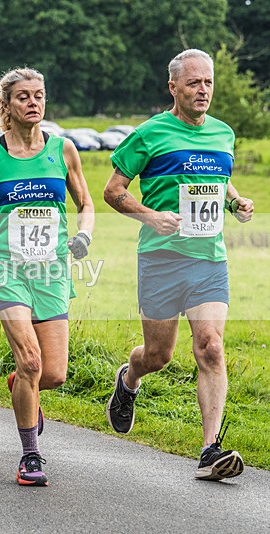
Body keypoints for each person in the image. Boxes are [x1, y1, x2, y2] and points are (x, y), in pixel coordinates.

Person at [103, 49, 253, 481]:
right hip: (161, 259)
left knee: (211, 346)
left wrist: (234, 201)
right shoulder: (149, 134)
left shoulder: (223, 133)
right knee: (157, 355)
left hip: (209, 260)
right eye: (194, 83)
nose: (203, 90)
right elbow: (113, 190)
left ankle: (209, 450)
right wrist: (150, 216)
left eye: (208, 82)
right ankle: (129, 380)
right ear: (173, 87)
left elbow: (219, 179)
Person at [0, 68, 94, 486]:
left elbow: (85, 202)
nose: (34, 102)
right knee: (31, 359)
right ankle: (30, 456)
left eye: (39, 95)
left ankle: (22, 385)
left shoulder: (64, 150)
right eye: (24, 97)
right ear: (7, 106)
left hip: (51, 270)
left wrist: (85, 234)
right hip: (8, 270)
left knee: (52, 374)